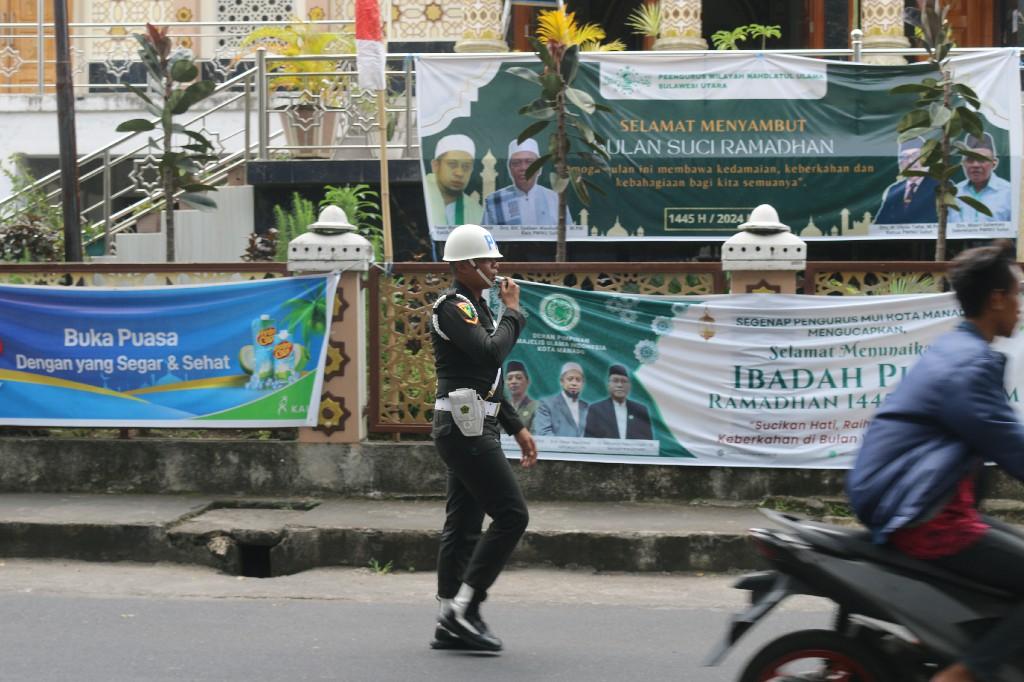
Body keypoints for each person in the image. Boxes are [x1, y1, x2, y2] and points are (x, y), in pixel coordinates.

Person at [847, 241, 1024, 682]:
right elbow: (1012, 445)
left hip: (930, 506)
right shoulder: (968, 366)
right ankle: (964, 674)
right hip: (929, 518)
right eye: (1017, 293)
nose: (1020, 306)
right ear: (996, 297)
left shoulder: (958, 350)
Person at [428, 223, 537, 653]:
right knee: (512, 516)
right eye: (488, 260)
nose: (496, 266)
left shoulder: (478, 307)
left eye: (495, 259)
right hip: (462, 428)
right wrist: (514, 311)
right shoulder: (450, 308)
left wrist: (517, 426)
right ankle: (463, 609)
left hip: (475, 423)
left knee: (464, 523)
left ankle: (447, 619)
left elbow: (487, 378)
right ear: (465, 265)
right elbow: (492, 354)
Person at [482, 138, 574, 227]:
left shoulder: (556, 200)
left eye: (529, 162)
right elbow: (485, 238)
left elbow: (569, 237)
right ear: (510, 168)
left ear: (539, 168)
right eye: (516, 163)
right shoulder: (494, 201)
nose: (523, 168)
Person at [874, 138, 940, 225]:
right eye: (905, 157)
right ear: (900, 163)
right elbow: (879, 224)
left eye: (916, 155)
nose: (910, 161)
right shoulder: (893, 190)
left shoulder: (940, 186)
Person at [424, 134, 484, 228]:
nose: (459, 173)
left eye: (466, 167)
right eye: (452, 164)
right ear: (435, 166)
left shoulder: (476, 211)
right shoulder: (421, 194)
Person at [583, 364, 654, 440]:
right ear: (608, 385)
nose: (620, 385)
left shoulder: (640, 410)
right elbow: (589, 439)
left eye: (624, 381)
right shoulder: (596, 409)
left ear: (629, 386)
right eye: (615, 381)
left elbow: (648, 440)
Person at [954, 132, 1012, 223]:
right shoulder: (954, 193)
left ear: (994, 163)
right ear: (963, 163)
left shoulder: (1010, 193)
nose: (975, 165)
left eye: (982, 160)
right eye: (970, 160)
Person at [532, 361, 588, 437]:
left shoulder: (587, 407)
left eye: (578, 380)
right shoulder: (546, 404)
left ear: (583, 383)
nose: (574, 383)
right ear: (562, 381)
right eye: (570, 379)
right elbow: (543, 433)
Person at [505, 360, 538, 430]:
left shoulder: (536, 407)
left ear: (527, 382)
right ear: (505, 383)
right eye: (509, 378)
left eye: (519, 378)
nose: (513, 382)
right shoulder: (502, 407)